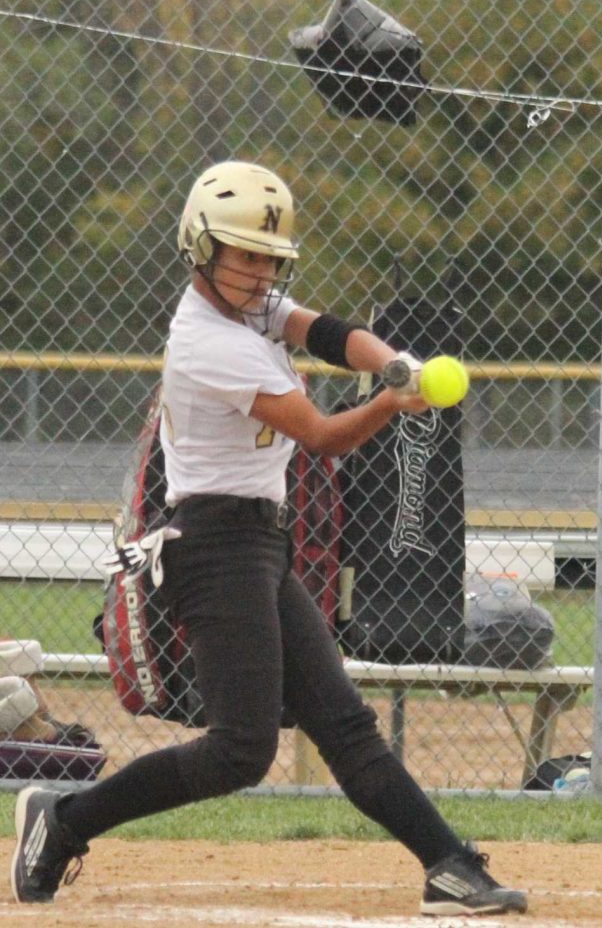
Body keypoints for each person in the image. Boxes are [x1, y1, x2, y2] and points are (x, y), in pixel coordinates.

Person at [11, 161, 527, 917]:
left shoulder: (247, 308)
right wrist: (395, 400)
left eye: (269, 259)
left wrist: (390, 361)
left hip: (257, 544)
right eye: (244, 255)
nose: (259, 274)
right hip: (212, 549)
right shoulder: (207, 341)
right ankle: (62, 822)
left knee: (344, 723)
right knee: (240, 752)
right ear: (200, 248)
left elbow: (321, 330)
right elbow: (322, 436)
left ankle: (449, 865)